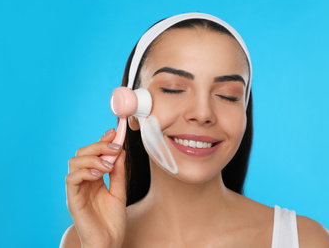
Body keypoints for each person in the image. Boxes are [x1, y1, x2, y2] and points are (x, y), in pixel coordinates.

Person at [60, 13, 329, 248]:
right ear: (130, 110)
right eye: (173, 89)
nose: (202, 114)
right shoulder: (82, 240)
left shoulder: (306, 240)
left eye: (227, 95)